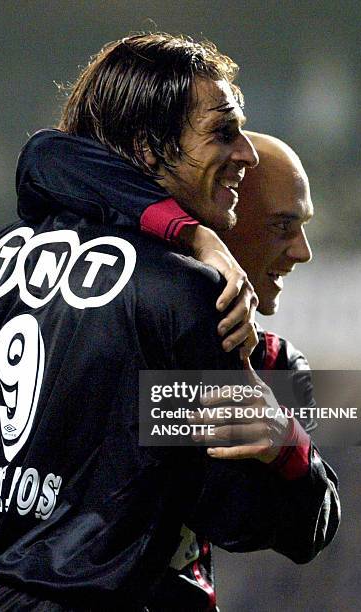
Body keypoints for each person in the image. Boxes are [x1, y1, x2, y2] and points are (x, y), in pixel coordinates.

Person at [0, 34, 338, 611]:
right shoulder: (190, 297)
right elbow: (240, 515)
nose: (243, 156)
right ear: (149, 148)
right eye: (280, 225)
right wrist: (291, 449)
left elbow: (45, 156)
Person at [18, 129, 340, 610]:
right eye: (282, 226)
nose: (302, 250)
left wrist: (287, 447)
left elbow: (301, 530)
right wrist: (195, 235)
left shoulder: (274, 364)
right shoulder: (113, 315)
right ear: (226, 220)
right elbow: (44, 156)